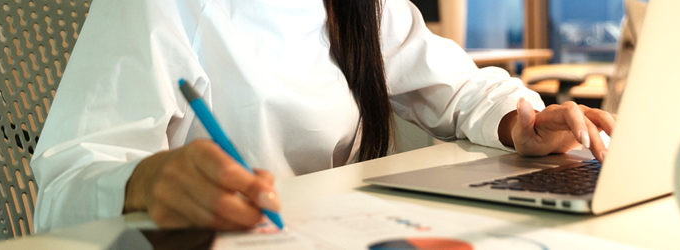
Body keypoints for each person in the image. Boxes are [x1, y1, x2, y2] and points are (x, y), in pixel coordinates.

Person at [31, 0, 615, 233]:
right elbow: (65, 182)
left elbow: (459, 85)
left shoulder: (361, 4)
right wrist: (147, 182)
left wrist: (520, 123)